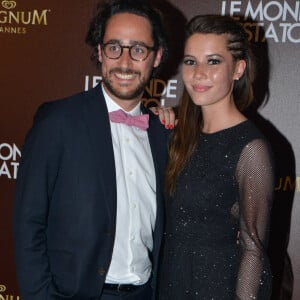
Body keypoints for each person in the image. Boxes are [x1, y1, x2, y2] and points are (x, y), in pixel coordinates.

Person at [13, 1, 174, 299]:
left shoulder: (163, 134)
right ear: (100, 52)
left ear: (157, 57)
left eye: (138, 49)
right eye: (114, 47)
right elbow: (28, 222)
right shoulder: (58, 122)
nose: (125, 61)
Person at [157, 15, 274, 299]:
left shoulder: (250, 148)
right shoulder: (174, 134)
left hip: (214, 288)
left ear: (238, 69)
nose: (198, 73)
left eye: (213, 61)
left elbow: (252, 249)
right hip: (166, 283)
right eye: (190, 61)